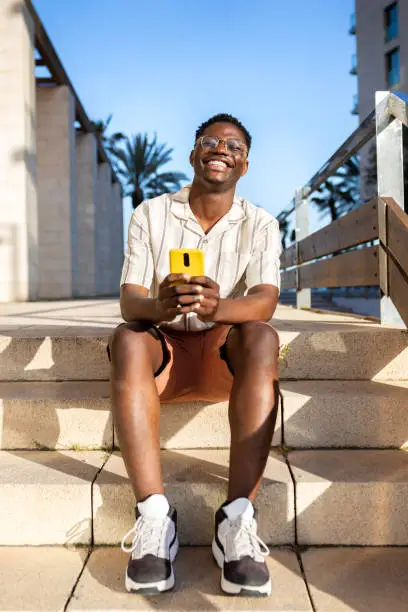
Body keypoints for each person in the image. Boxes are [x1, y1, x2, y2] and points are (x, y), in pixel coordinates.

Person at [109, 113, 282, 597]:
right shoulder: (151, 213)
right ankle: (154, 519)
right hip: (163, 355)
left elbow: (266, 299)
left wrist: (218, 306)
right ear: (193, 155)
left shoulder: (261, 223)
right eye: (210, 141)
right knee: (126, 335)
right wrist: (158, 306)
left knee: (263, 336)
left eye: (234, 146)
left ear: (244, 165)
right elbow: (129, 300)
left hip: (219, 359)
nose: (222, 149)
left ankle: (236, 523)